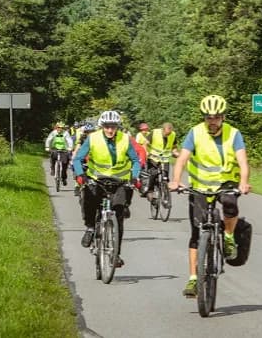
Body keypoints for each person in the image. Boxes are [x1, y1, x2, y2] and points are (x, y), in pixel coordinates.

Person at [169, 95, 251, 298]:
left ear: (222, 117)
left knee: (230, 204)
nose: (211, 121)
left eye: (215, 117)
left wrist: (243, 183)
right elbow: (182, 159)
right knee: (197, 233)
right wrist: (176, 180)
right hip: (200, 186)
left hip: (226, 183)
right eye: (208, 117)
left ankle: (229, 236)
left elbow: (243, 162)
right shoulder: (195, 133)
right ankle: (193, 279)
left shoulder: (233, 134)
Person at [73, 110, 141, 266]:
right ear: (102, 126)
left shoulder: (125, 139)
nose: (110, 130)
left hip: (119, 182)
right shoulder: (93, 138)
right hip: (97, 180)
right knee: (88, 199)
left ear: (118, 126)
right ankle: (90, 228)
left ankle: (116, 254)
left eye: (113, 126)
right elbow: (77, 159)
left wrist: (134, 177)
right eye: (107, 126)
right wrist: (81, 175)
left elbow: (135, 161)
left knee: (119, 216)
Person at [141, 122, 179, 197]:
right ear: (162, 130)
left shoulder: (173, 134)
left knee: (165, 176)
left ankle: (165, 193)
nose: (168, 135)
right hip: (153, 158)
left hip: (165, 159)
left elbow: (174, 146)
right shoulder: (154, 132)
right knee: (153, 174)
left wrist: (175, 153)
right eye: (166, 133)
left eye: (169, 133)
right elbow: (145, 144)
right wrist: (146, 152)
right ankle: (150, 190)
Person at [44, 121, 74, 186]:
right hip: (54, 148)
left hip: (64, 150)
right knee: (53, 157)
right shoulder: (53, 133)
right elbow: (49, 139)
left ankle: (64, 178)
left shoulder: (66, 133)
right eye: (58, 127)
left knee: (64, 165)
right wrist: (47, 147)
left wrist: (70, 148)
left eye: (61, 128)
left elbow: (69, 140)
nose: (60, 129)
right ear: (56, 127)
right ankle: (52, 169)